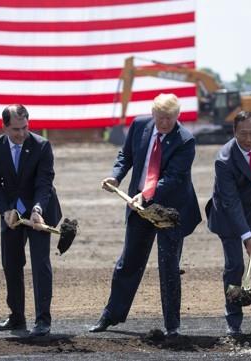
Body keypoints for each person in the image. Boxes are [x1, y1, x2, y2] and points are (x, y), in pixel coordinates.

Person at [90, 93, 201, 336]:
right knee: (128, 262)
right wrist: (116, 176)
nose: (164, 123)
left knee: (168, 267)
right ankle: (111, 316)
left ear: (177, 116)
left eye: (170, 119)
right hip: (138, 206)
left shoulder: (185, 140)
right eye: (160, 118)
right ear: (152, 114)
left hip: (170, 211)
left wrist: (147, 195)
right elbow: (126, 156)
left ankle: (172, 326)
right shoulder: (140, 126)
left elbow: (173, 178)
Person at [0, 104, 62, 337]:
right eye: (16, 129)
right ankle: (17, 317)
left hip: (40, 211)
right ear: (4, 127)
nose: (21, 134)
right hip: (11, 216)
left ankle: (43, 320)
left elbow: (44, 182)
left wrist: (38, 209)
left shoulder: (41, 146)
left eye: (25, 128)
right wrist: (4, 211)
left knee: (40, 265)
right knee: (11, 264)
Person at [205, 111, 251, 336]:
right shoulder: (224, 160)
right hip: (227, 216)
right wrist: (247, 237)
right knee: (235, 265)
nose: (248, 139)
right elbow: (230, 201)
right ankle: (233, 318)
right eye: (242, 134)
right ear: (233, 132)